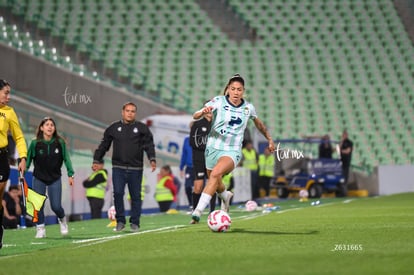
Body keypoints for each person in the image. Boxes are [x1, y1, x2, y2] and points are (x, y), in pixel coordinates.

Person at [191, 74, 275, 224]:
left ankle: (198, 211)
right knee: (214, 180)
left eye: (239, 90)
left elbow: (259, 125)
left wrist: (269, 138)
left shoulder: (248, 108)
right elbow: (195, 115)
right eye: (233, 89)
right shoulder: (218, 101)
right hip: (212, 147)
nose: (236, 92)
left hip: (232, 150)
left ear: (243, 91)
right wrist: (202, 112)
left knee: (215, 174)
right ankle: (225, 196)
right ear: (228, 89)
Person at [94, 102, 156, 233]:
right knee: (117, 194)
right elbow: (104, 145)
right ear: (122, 112)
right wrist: (97, 159)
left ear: (135, 113)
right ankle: (120, 221)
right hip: (118, 167)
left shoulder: (142, 128)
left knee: (135, 197)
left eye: (133, 111)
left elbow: (149, 145)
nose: (130, 113)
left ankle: (135, 223)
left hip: (136, 169)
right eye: (127, 110)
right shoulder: (113, 128)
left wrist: (152, 158)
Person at [26, 117, 74, 238]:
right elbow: (27, 160)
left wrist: (70, 174)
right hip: (39, 178)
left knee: (56, 206)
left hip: (55, 178)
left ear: (54, 128)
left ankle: (62, 220)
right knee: (38, 206)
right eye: (47, 124)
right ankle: (40, 228)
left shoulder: (60, 143)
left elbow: (66, 158)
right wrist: (23, 171)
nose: (49, 127)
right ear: (41, 128)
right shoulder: (35, 143)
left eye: (52, 125)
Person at [0, 79, 27, 249]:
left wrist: (22, 157)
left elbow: (18, 137)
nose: (8, 97)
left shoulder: (9, 112)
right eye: (6, 93)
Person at [189, 110, 216, 222]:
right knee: (198, 186)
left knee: (212, 184)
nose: (210, 112)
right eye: (208, 110)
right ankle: (195, 213)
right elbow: (192, 142)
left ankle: (212, 212)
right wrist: (208, 146)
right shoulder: (197, 124)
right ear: (204, 111)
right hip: (199, 159)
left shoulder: (216, 124)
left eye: (212, 110)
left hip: (213, 159)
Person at [179, 130, 193, 210]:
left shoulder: (201, 138)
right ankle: (191, 204)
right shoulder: (187, 140)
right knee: (187, 187)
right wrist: (181, 167)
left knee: (200, 187)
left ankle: (200, 204)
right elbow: (184, 154)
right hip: (189, 168)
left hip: (199, 166)